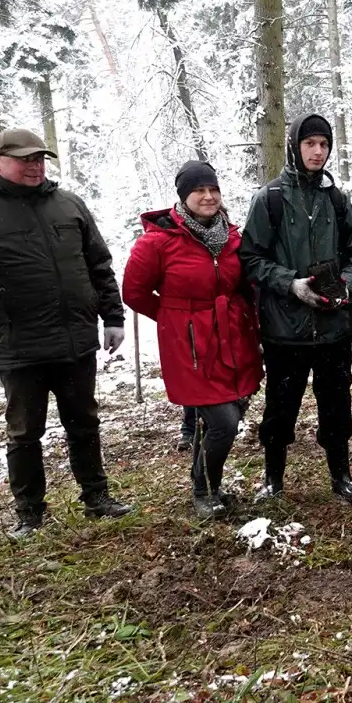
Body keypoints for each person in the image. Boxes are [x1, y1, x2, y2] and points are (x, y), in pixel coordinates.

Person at [0, 128, 132, 537]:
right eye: (24, 160)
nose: (34, 166)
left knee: (85, 422)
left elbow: (99, 266)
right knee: (24, 432)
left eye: (39, 159)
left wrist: (112, 316)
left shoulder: (68, 204)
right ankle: (30, 513)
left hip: (76, 341)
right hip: (20, 345)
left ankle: (97, 497)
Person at [122, 161, 265, 518]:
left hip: (234, 336)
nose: (208, 196)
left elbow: (245, 286)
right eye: (199, 190)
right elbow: (134, 292)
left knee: (234, 409)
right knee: (223, 422)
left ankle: (209, 482)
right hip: (191, 346)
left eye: (213, 190)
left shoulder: (232, 237)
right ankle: (202, 489)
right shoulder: (157, 242)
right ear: (184, 197)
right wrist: (175, 319)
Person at [239, 114, 352, 503]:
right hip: (284, 328)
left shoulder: (337, 200)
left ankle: (340, 476)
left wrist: (349, 286)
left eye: (324, 144)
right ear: (295, 146)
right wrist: (289, 284)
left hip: (332, 327)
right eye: (310, 143)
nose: (318, 151)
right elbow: (250, 258)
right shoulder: (270, 198)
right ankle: (273, 478)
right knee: (280, 407)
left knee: (337, 405)